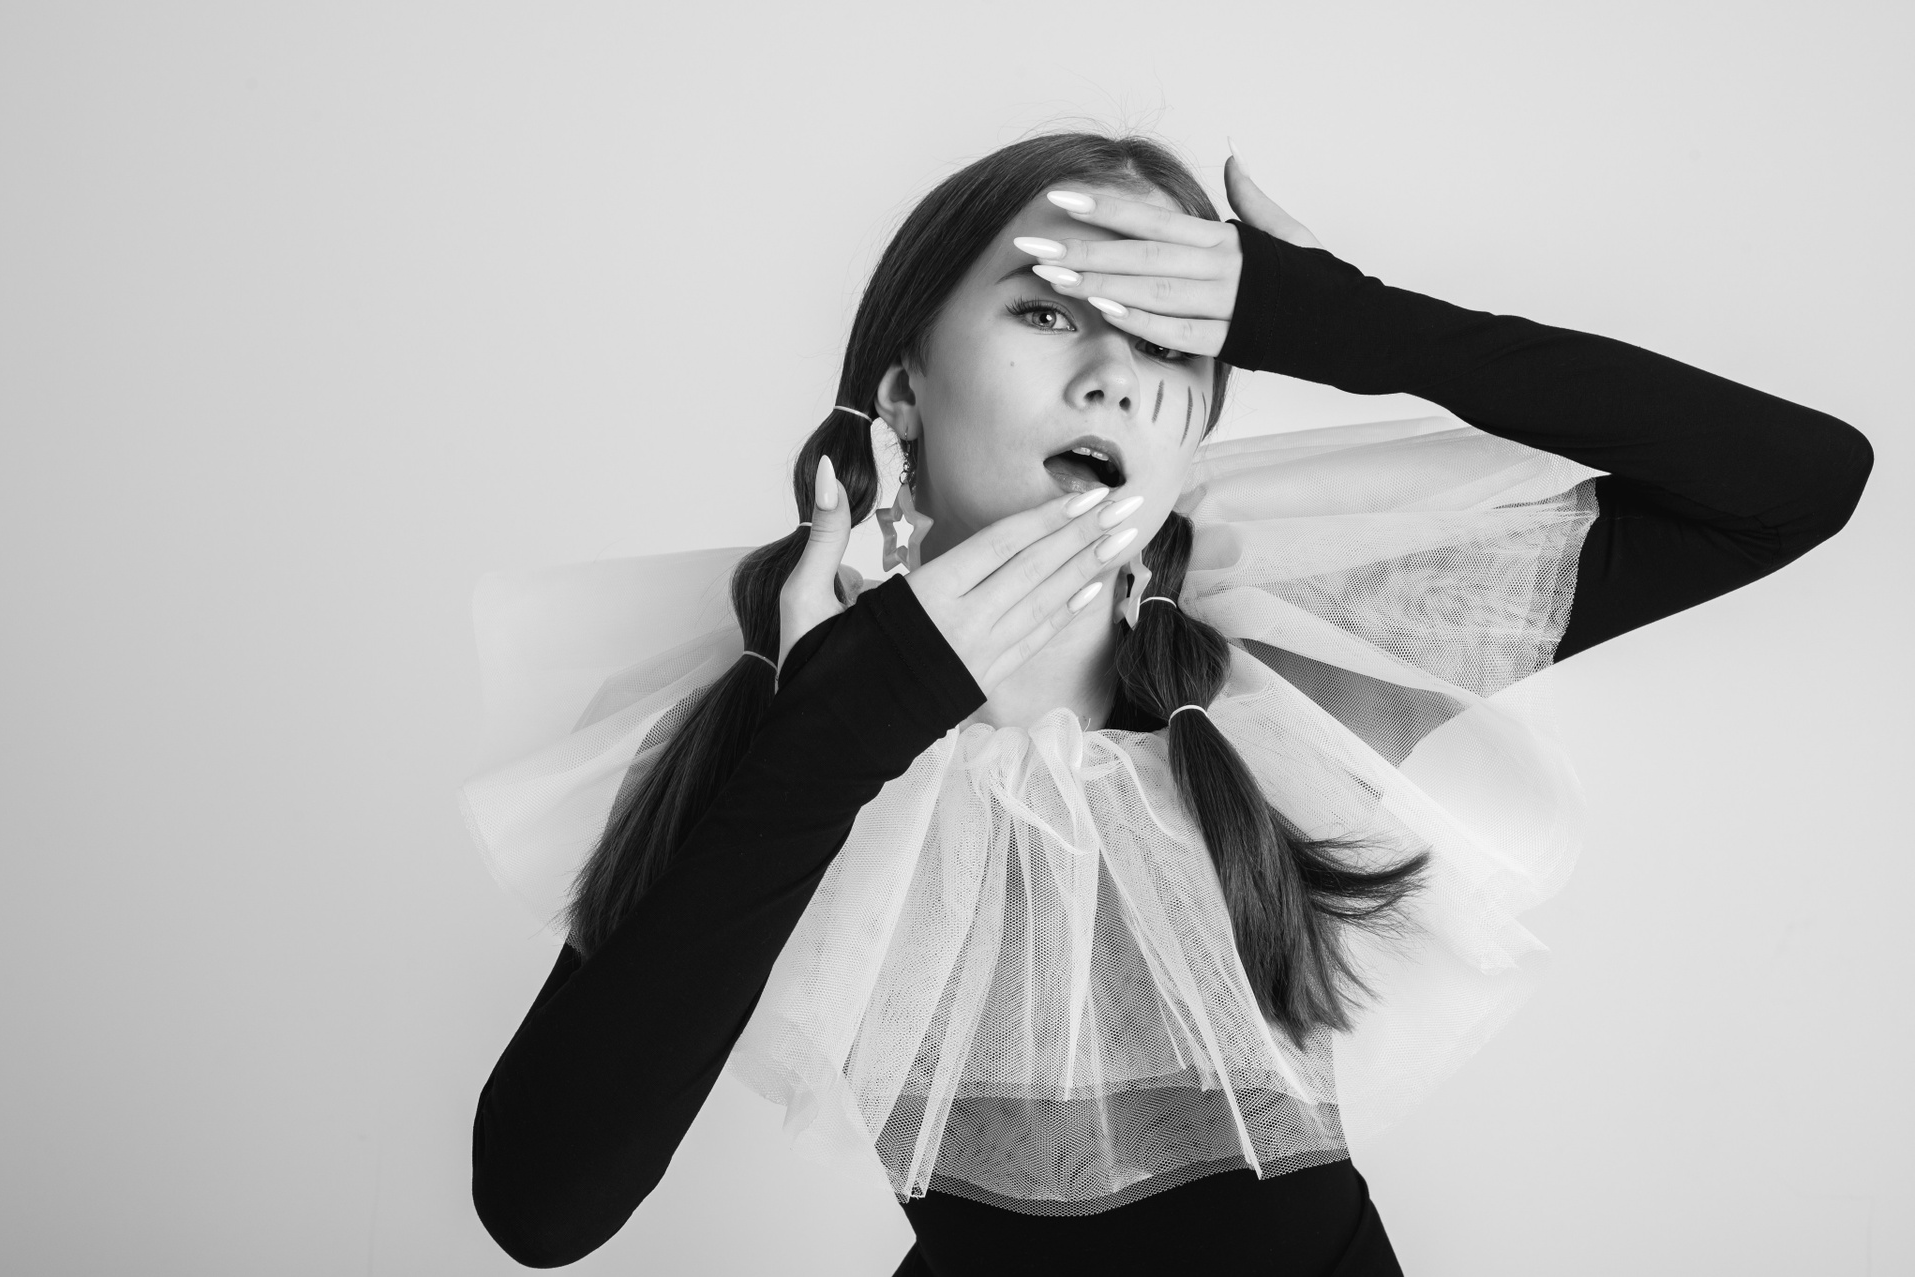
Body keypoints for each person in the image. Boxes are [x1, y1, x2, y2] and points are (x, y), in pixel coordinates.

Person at [460, 132, 1872, 1273]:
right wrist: (842, 725)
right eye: (1047, 311)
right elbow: (540, 1205)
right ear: (903, 389)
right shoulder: (792, 713)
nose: (1112, 376)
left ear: (1194, 427)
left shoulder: (1292, 663)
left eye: (1169, 343)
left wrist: (1351, 323)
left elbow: (1797, 481)